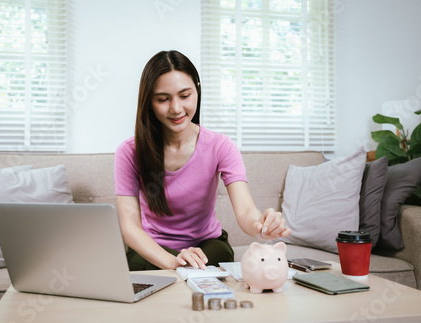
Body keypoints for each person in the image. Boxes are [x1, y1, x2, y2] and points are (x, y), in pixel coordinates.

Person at [114, 50, 291, 271]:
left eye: (185, 95)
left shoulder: (220, 146)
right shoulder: (129, 152)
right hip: (155, 249)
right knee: (146, 266)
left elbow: (246, 211)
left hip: (207, 245)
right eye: (163, 99)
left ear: (197, 89)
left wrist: (262, 226)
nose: (176, 108)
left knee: (215, 259)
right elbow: (130, 227)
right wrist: (173, 262)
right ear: (148, 101)